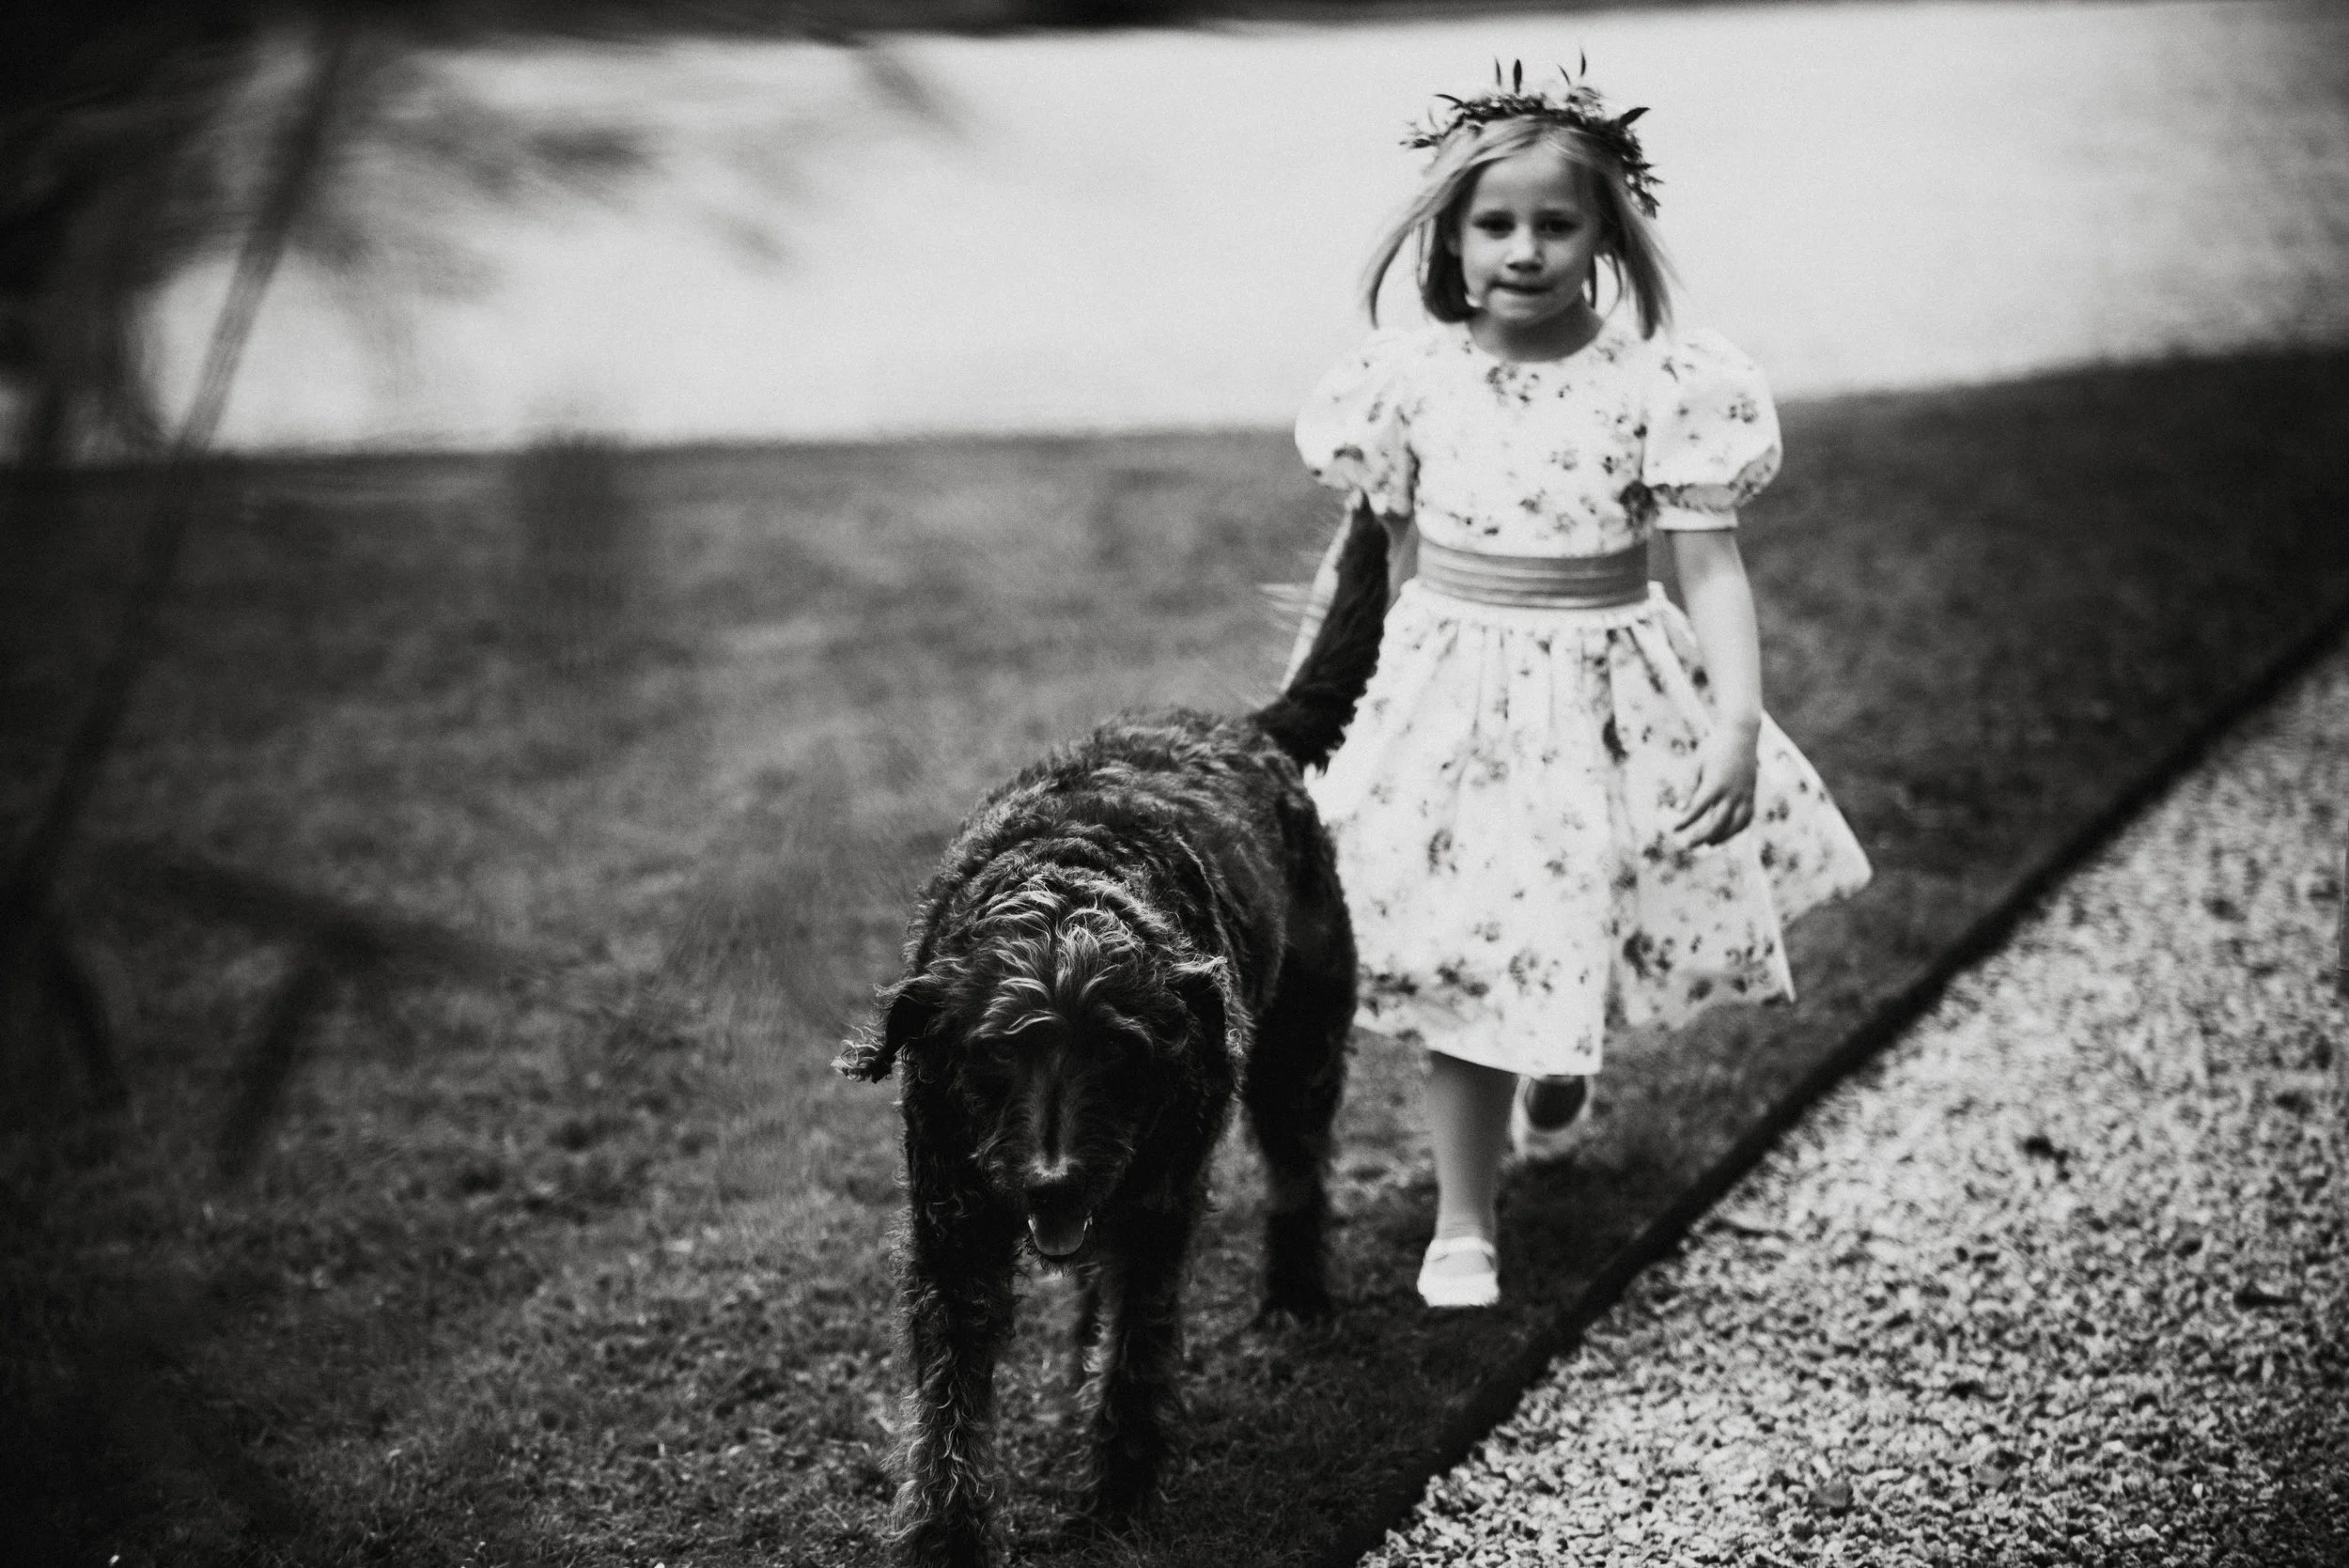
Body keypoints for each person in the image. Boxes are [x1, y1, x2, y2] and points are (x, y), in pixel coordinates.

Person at [1283, 63, 1872, 1309]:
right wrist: (1306, 708)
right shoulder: (1412, 382)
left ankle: (1557, 1070)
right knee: (1466, 955)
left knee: (1564, 919)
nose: (1527, 248)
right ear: (1450, 235)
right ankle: (1462, 1220)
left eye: (1558, 223)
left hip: (1599, 693)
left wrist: (1733, 721)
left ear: (1605, 234)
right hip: (1443, 699)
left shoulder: (1659, 384)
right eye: (1496, 223)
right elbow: (1372, 561)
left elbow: (1707, 572)